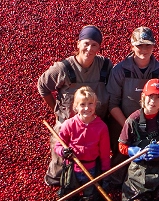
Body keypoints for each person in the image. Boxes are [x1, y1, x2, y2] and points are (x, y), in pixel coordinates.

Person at [36, 25, 112, 189]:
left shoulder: (105, 66)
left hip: (94, 124)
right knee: (60, 166)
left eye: (94, 45)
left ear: (99, 47)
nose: (89, 49)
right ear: (78, 44)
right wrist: (56, 111)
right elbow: (42, 86)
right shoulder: (63, 68)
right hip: (67, 124)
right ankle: (59, 183)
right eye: (86, 43)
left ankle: (90, 183)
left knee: (94, 161)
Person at [49, 86, 111, 201]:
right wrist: (63, 151)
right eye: (82, 104)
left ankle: (88, 196)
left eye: (90, 104)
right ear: (76, 107)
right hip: (72, 168)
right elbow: (58, 146)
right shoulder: (69, 124)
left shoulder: (101, 127)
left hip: (91, 168)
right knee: (68, 200)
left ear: (95, 105)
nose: (87, 108)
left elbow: (104, 153)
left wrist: (105, 174)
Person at [106, 26, 159, 140]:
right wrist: (129, 127)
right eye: (139, 45)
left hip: (154, 129)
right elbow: (112, 104)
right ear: (132, 47)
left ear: (153, 46)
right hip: (123, 127)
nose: (144, 50)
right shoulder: (119, 71)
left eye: (148, 45)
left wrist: (154, 127)